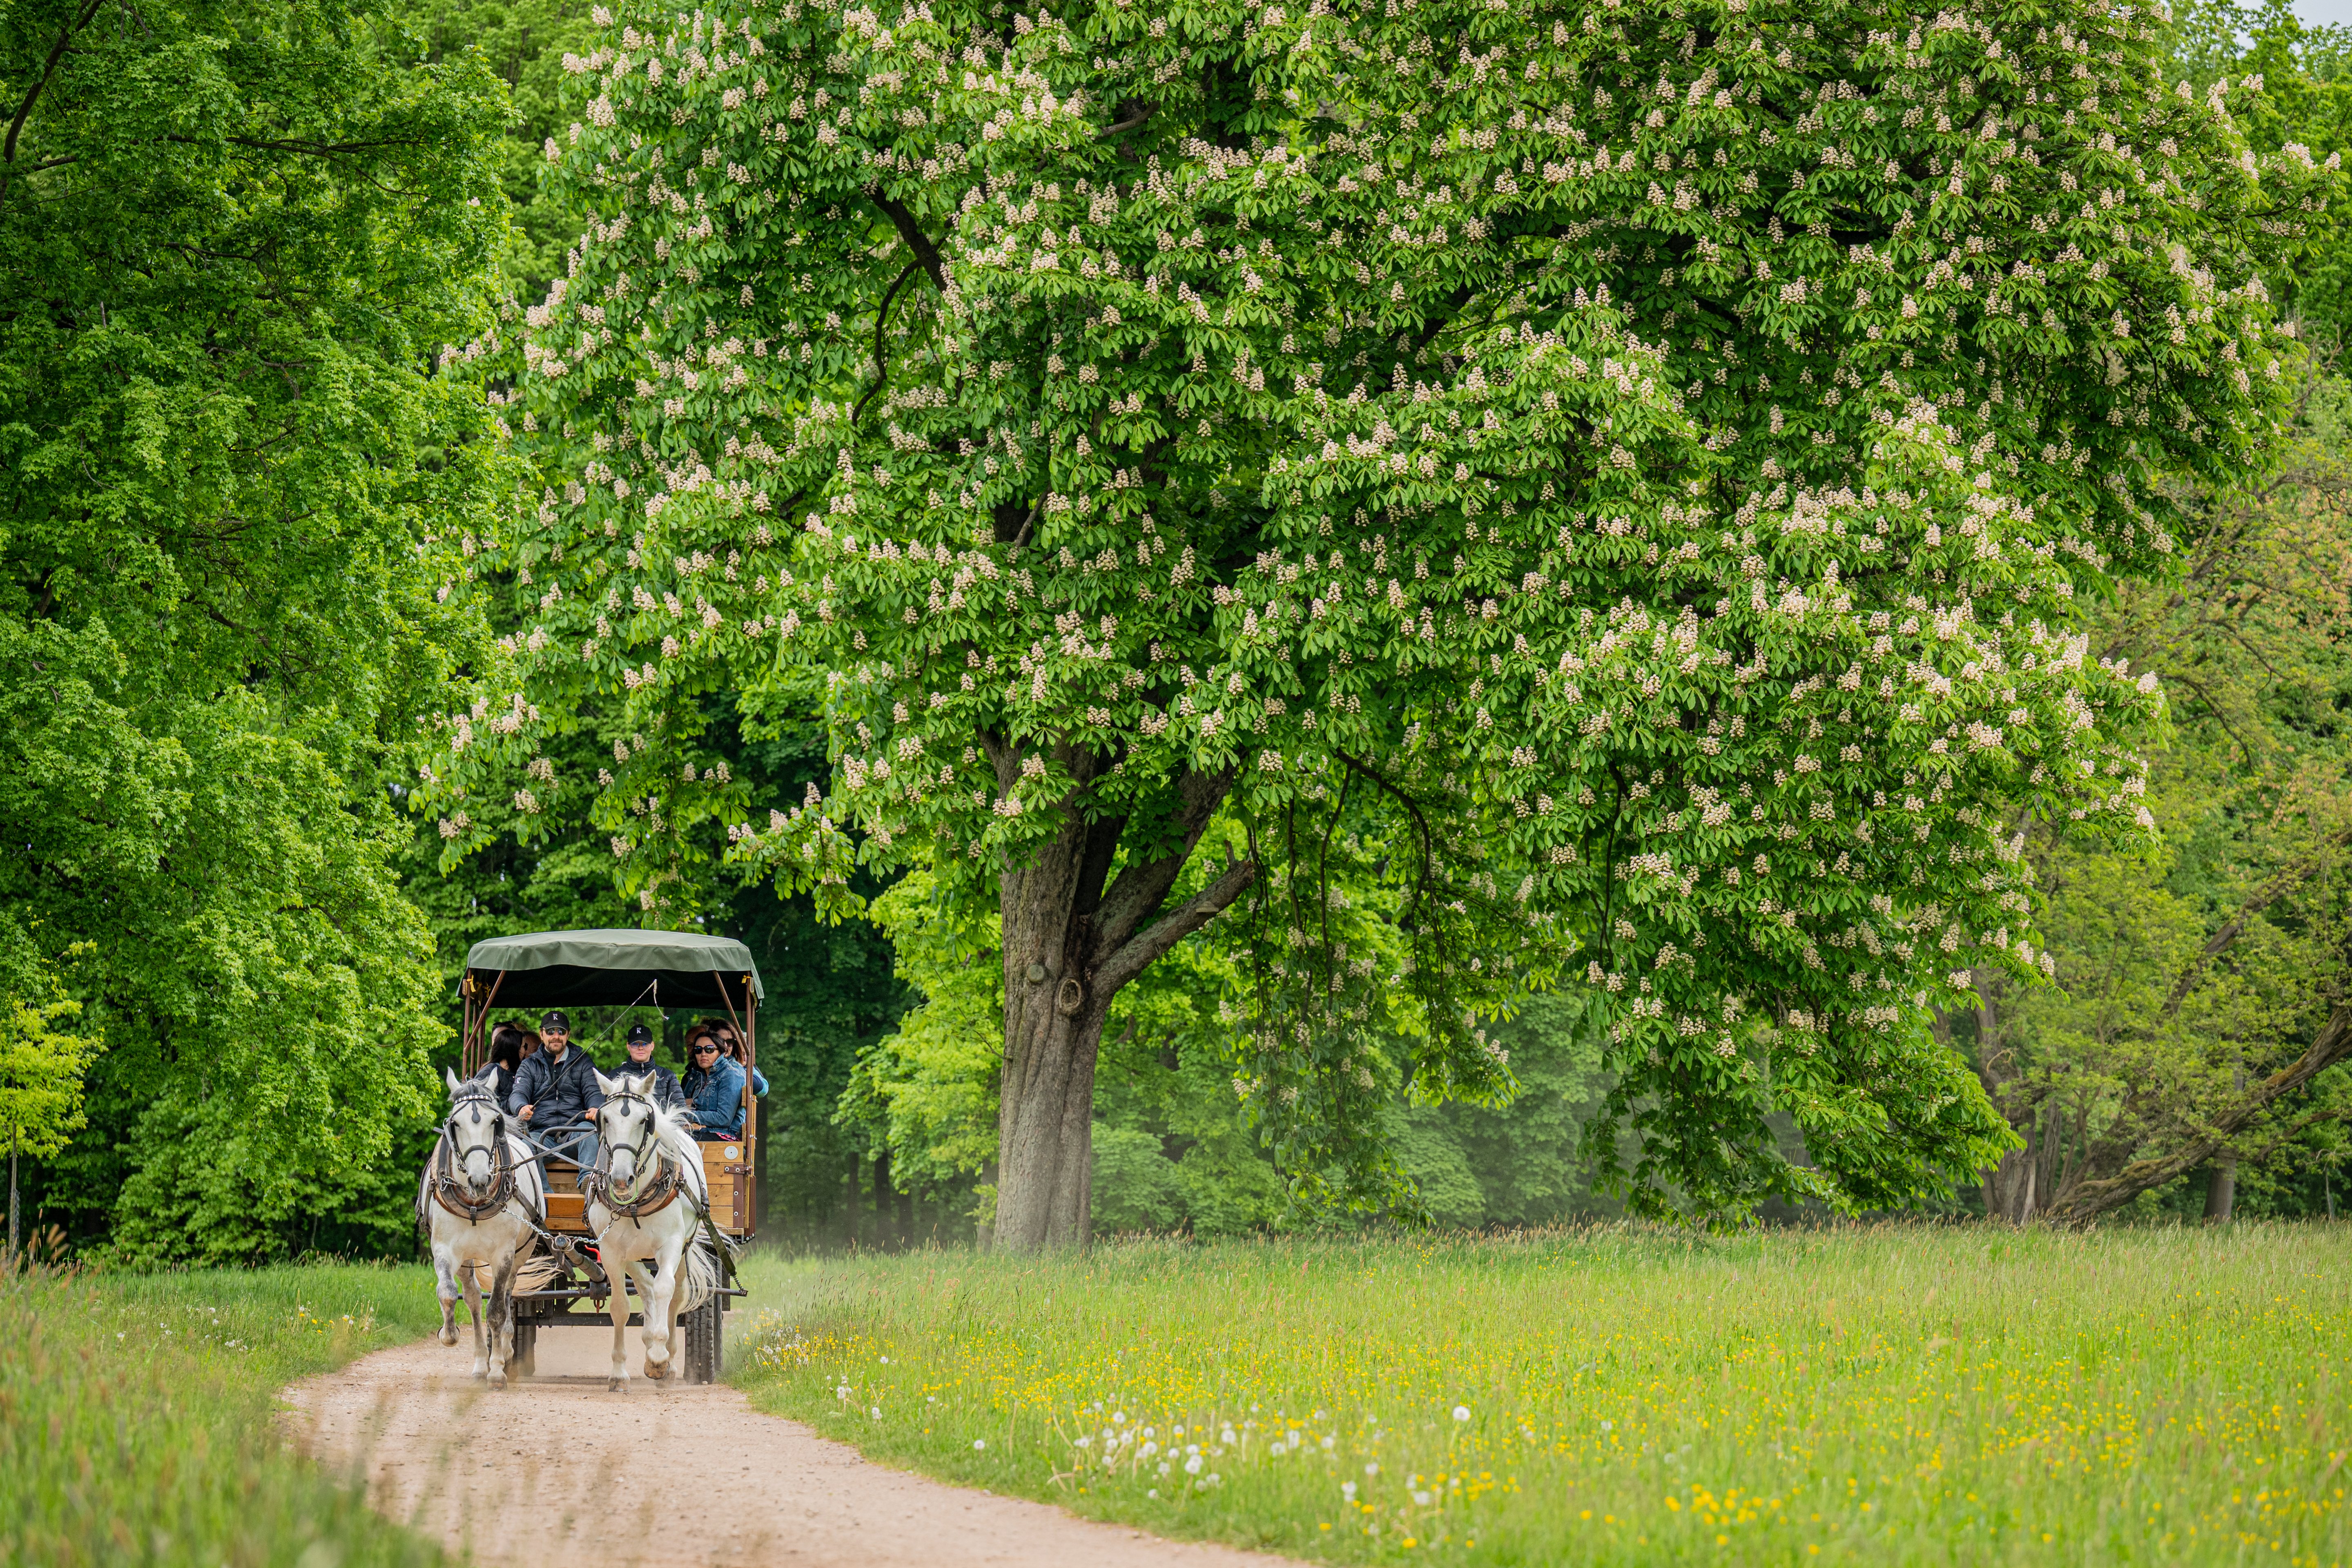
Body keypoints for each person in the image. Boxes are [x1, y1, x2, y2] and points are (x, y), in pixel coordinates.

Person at [506, 1008, 605, 1171]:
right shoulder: (529, 1065)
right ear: (542, 1034)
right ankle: (544, 1195)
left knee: (589, 1133)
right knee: (526, 1151)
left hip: (575, 1132)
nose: (556, 1036)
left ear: (568, 1035)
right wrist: (521, 1107)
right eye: (551, 1031)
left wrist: (595, 1107)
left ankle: (588, 1182)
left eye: (561, 1031)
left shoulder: (584, 1062)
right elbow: (518, 1094)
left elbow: (594, 1091)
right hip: (542, 1135)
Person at [681, 1028, 747, 1142]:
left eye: (709, 1049)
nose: (703, 1054)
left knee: (673, 1141)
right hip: (698, 1131)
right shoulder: (697, 1076)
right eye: (698, 1050)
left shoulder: (731, 1075)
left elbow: (723, 1119)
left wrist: (691, 1116)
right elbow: (681, 1105)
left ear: (721, 1052)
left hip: (725, 1136)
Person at [615, 1022, 686, 1112]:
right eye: (635, 1044)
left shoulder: (668, 1076)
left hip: (661, 1126)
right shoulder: (615, 1075)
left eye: (645, 1044)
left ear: (652, 1046)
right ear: (628, 1046)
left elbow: (681, 1111)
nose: (640, 1048)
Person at [706, 1018, 768, 1099]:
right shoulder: (702, 1065)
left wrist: (737, 1072)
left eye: (730, 1042)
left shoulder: (737, 1064)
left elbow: (763, 1089)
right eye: (720, 1041)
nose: (725, 1046)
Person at [485, 1024, 527, 1107]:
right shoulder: (488, 1073)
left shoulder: (519, 1071)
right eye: (524, 1046)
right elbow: (486, 1105)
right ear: (514, 1050)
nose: (526, 1051)